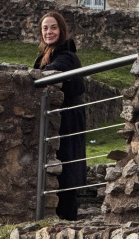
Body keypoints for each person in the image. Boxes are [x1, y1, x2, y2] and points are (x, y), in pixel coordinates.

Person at [33, 11, 86, 221]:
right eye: (45, 28)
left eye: (53, 27)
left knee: (67, 169)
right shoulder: (46, 55)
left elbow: (49, 75)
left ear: (61, 30)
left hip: (68, 120)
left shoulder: (67, 56)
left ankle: (67, 220)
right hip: (57, 119)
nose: (49, 32)